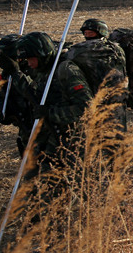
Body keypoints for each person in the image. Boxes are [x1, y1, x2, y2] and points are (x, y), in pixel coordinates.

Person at [12, 32, 93, 177]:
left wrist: (50, 113)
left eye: (31, 59)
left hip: (73, 140)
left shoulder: (66, 70)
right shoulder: (42, 71)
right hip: (52, 138)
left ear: (42, 54)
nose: (29, 63)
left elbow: (86, 107)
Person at [67, 18, 127, 132]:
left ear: (100, 32)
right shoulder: (116, 49)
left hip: (95, 97)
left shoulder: (78, 50)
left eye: (91, 33)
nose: (87, 35)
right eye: (86, 33)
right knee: (118, 133)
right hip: (117, 96)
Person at [0, 34, 34, 158]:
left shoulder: (34, 68)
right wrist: (0, 110)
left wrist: (16, 73)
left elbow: (33, 93)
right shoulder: (7, 75)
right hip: (25, 128)